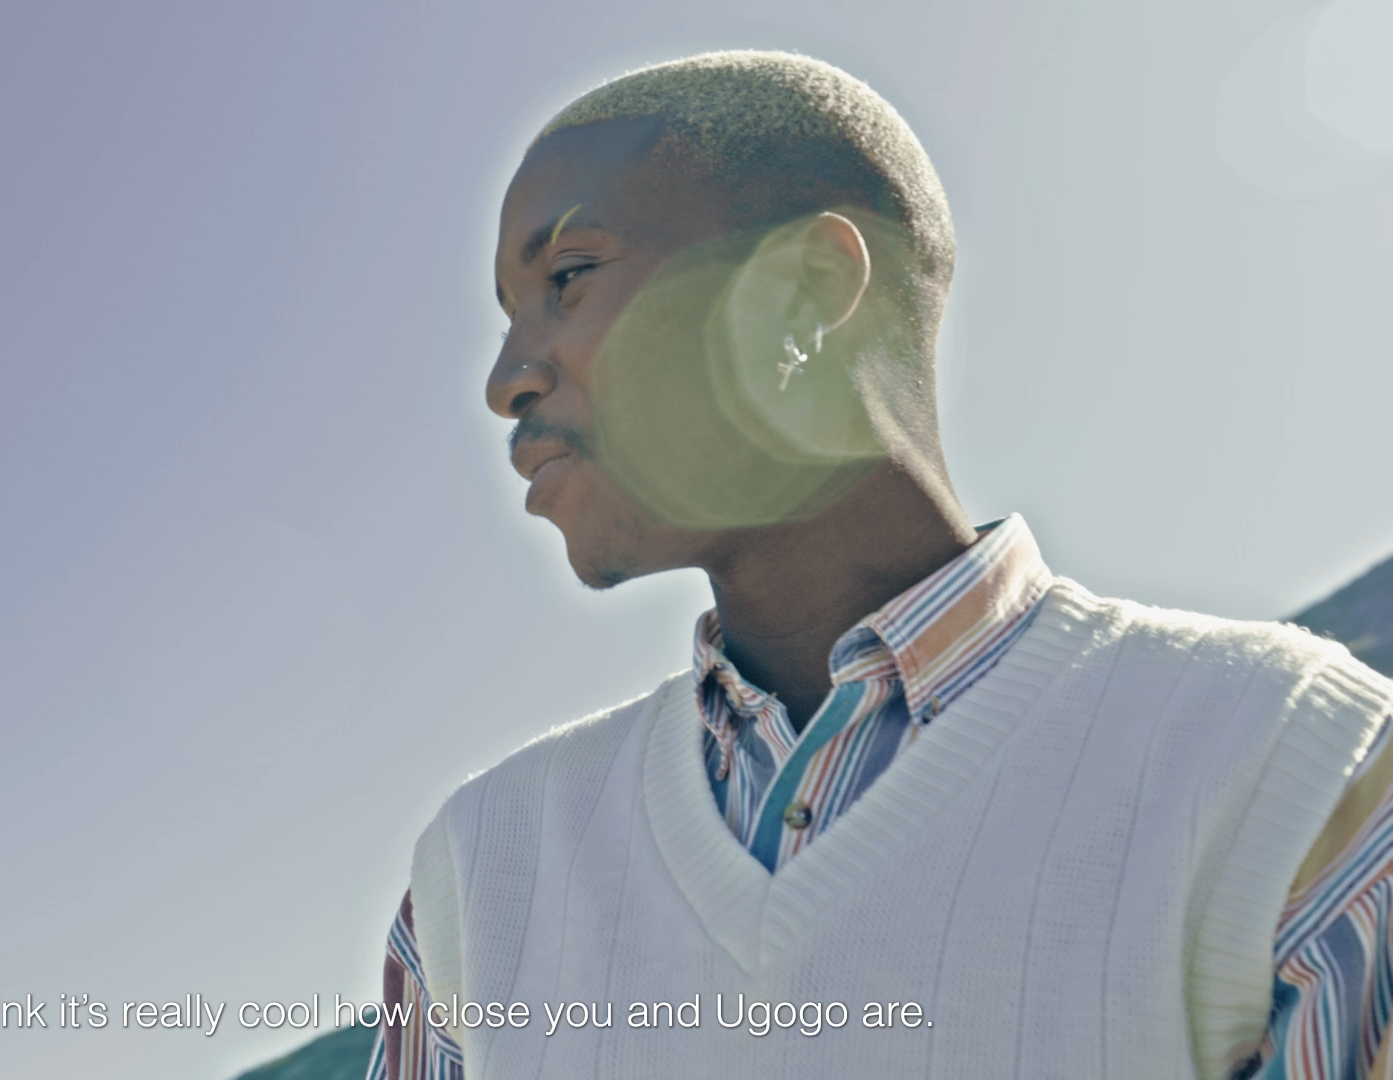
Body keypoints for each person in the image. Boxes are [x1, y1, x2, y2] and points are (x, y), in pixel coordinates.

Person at [367, 52, 1393, 1079]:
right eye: (509, 313)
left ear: (808, 289)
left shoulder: (1301, 769)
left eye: (567, 279)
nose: (508, 379)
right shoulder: (477, 876)